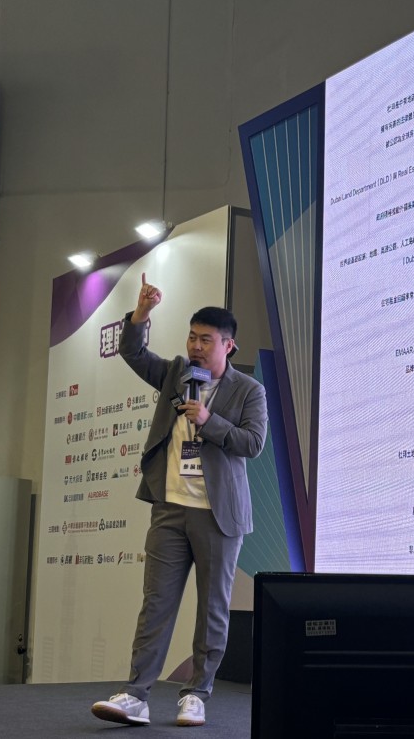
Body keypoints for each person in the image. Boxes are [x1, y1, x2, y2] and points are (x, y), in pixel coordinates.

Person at [92, 273, 268, 728]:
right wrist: (141, 313)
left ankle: (196, 694)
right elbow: (133, 352)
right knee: (156, 604)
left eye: (206, 340)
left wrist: (208, 420)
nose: (195, 347)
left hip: (218, 514)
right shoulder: (176, 373)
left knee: (212, 608)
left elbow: (253, 444)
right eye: (192, 337)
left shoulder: (249, 390)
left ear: (228, 345)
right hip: (168, 507)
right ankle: (136, 695)